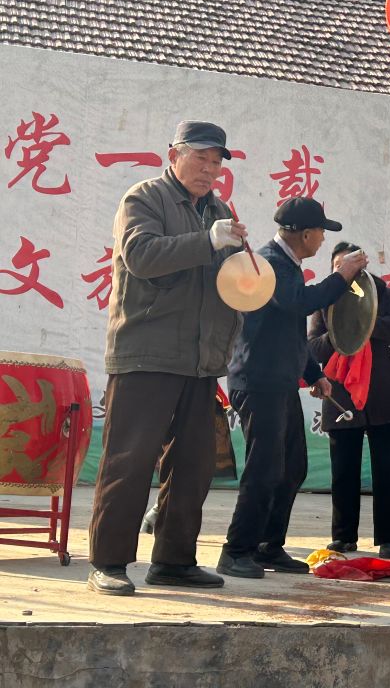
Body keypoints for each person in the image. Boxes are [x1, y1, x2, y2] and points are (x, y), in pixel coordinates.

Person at [87, 120, 246, 595]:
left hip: (200, 360)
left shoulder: (218, 210)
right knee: (129, 461)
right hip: (146, 353)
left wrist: (244, 269)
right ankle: (108, 562)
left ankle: (174, 562)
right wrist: (209, 241)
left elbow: (223, 281)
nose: (209, 169)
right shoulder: (145, 198)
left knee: (194, 466)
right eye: (200, 157)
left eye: (216, 162)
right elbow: (141, 256)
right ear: (173, 154)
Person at [217, 197, 367, 579]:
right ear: (304, 234)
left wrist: (314, 373)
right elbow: (298, 303)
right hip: (258, 381)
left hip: (279, 381)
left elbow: (291, 332)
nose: (323, 239)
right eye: (320, 232)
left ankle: (268, 545)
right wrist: (342, 276)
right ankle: (236, 550)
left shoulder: (288, 266)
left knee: (291, 467)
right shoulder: (268, 262)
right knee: (264, 469)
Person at [308, 242, 390, 560]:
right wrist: (341, 331)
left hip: (385, 395)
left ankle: (389, 539)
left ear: (363, 267)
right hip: (341, 396)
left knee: (388, 470)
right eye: (339, 266)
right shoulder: (325, 298)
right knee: (343, 470)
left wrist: (367, 324)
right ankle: (343, 537)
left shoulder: (379, 291)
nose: (345, 270)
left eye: (351, 264)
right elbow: (312, 348)